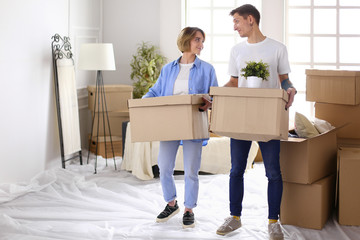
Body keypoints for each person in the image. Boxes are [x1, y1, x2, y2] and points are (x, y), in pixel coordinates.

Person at [215, 4, 296, 240]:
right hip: (241, 116)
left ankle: (273, 222)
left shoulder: (277, 48)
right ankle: (235, 217)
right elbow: (233, 82)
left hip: (267, 117)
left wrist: (291, 90)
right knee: (236, 170)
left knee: (273, 172)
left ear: (251, 19)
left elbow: (284, 80)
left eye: (237, 21)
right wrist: (215, 94)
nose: (235, 27)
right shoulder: (236, 50)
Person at [143, 27, 218, 228]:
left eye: (202, 41)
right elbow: (155, 91)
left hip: (194, 122)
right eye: (198, 40)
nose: (201, 44)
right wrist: (140, 105)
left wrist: (210, 101)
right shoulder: (168, 69)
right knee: (165, 166)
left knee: (191, 170)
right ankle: (171, 203)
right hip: (170, 122)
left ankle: (189, 209)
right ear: (186, 41)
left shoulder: (207, 69)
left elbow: (215, 95)